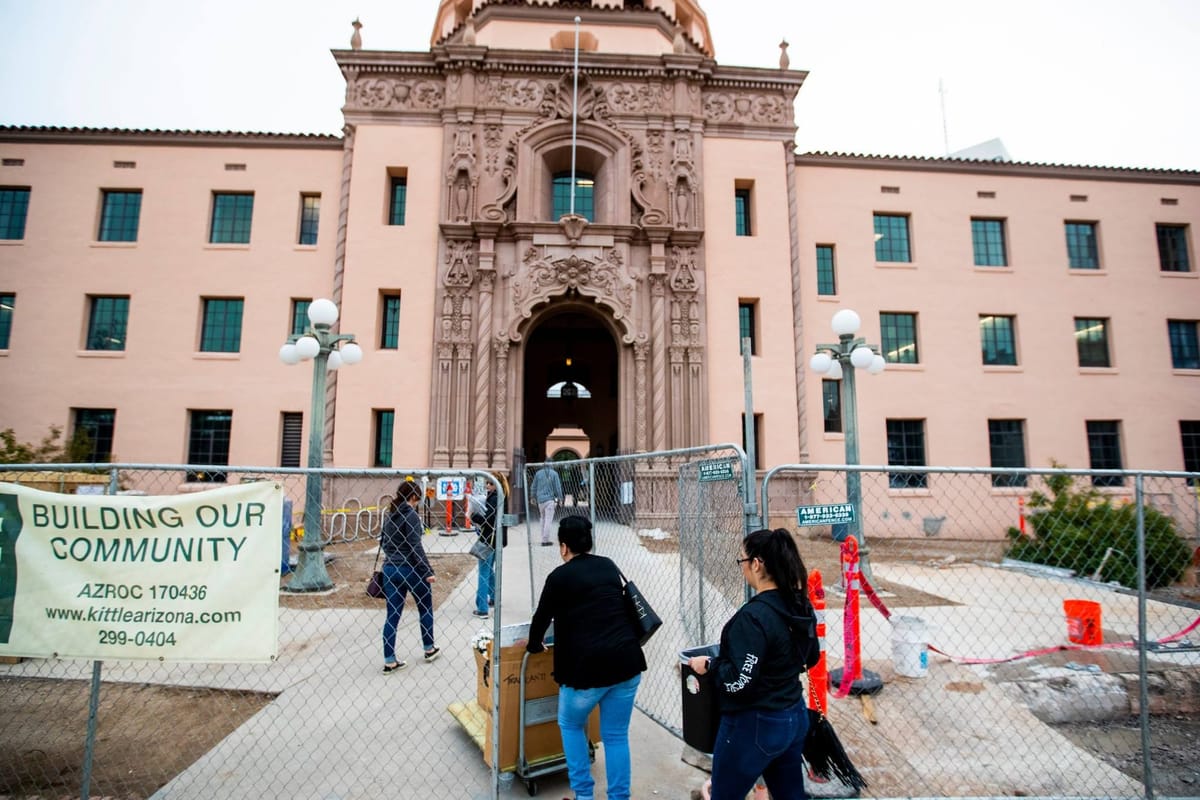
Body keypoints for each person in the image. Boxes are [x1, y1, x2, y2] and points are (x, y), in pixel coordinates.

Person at [687, 528, 816, 800]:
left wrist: (710, 667)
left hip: (755, 724)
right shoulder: (799, 605)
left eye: (742, 561)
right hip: (793, 715)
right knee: (790, 794)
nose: (742, 568)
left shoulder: (753, 617)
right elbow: (811, 656)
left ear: (756, 564)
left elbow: (739, 681)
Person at [526, 515, 646, 800]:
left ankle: (583, 795)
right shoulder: (608, 566)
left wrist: (533, 644)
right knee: (616, 736)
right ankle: (619, 797)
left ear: (563, 546)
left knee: (571, 724)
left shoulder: (558, 578)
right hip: (626, 663)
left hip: (585, 671)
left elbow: (541, 619)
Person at [380, 481, 439, 673]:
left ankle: (389, 660)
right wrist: (427, 571)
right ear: (414, 497)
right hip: (411, 569)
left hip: (390, 568)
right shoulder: (411, 515)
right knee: (425, 608)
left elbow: (384, 542)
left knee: (392, 615)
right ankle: (429, 648)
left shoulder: (389, 515)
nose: (417, 503)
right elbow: (415, 546)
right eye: (417, 499)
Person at [470, 473, 508, 618]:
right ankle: (493, 597)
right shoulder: (502, 495)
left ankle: (482, 608)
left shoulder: (494, 498)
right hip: (496, 540)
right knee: (489, 571)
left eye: (490, 484)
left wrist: (473, 516)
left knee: (483, 573)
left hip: (489, 539)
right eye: (486, 483)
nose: (487, 486)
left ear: (496, 484)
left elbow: (488, 520)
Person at [530, 463, 564, 546]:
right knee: (548, 520)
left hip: (540, 500)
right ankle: (545, 540)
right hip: (550, 500)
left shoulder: (538, 473)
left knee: (542, 518)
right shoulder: (554, 474)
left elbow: (533, 486)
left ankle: (543, 538)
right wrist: (560, 498)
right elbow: (558, 487)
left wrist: (532, 497)